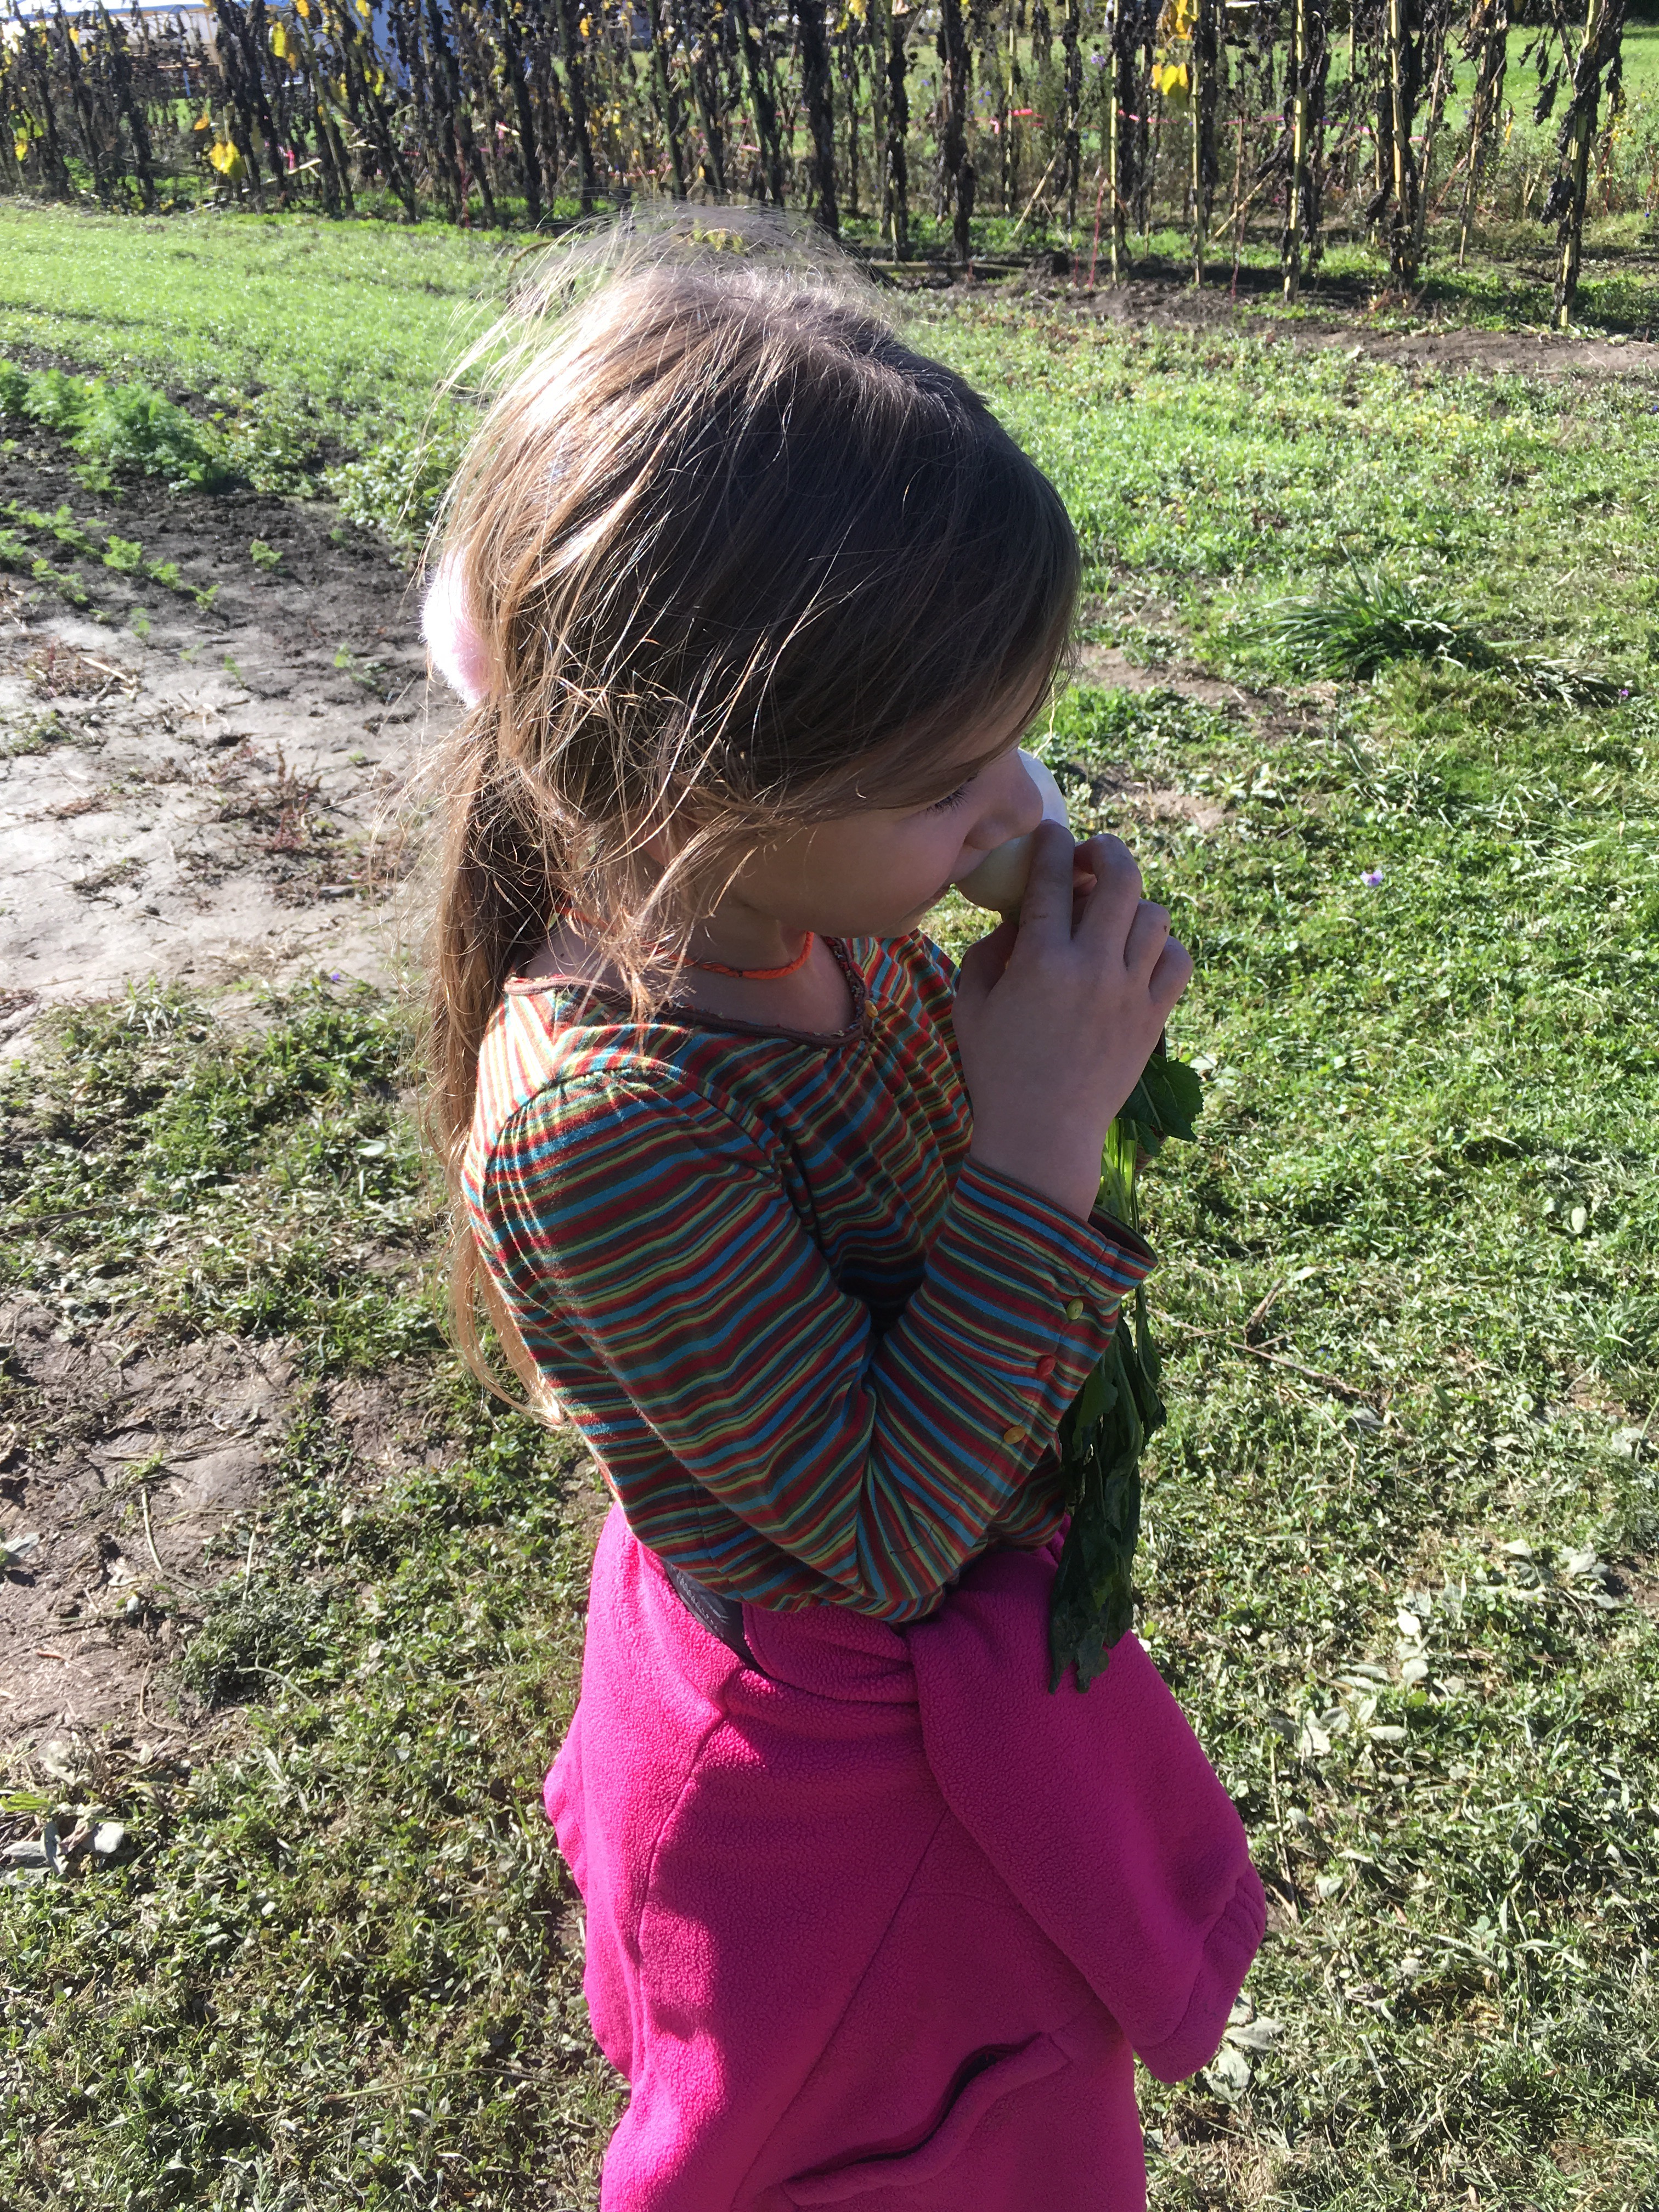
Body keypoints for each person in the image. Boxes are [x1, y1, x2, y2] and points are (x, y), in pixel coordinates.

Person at [422, 219, 1263, 2212]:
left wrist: (1032, 1046)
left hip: (920, 1703)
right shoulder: (603, 1128)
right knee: (885, 2147)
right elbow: (882, 1532)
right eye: (949, 775)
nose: (1017, 803)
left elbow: (898, 1226)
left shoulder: (798, 920)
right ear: (700, 778)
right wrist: (1044, 1134)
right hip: (835, 1767)